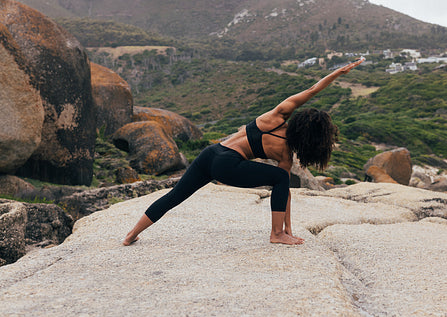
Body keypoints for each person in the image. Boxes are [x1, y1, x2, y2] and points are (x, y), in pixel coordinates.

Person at [123, 58, 364, 246]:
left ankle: (132, 234)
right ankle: (276, 234)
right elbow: (284, 191)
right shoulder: (285, 154)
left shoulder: (276, 117)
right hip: (228, 165)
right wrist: (286, 229)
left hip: (211, 154)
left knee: (175, 196)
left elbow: (312, 89)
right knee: (280, 178)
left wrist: (337, 73)